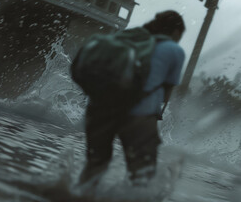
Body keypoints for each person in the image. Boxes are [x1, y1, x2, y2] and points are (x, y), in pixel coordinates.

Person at [78, 10, 186, 186]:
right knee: (141, 175)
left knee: (94, 166)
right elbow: (166, 94)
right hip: (139, 115)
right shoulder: (173, 50)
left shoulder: (127, 38)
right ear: (175, 32)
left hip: (99, 108)